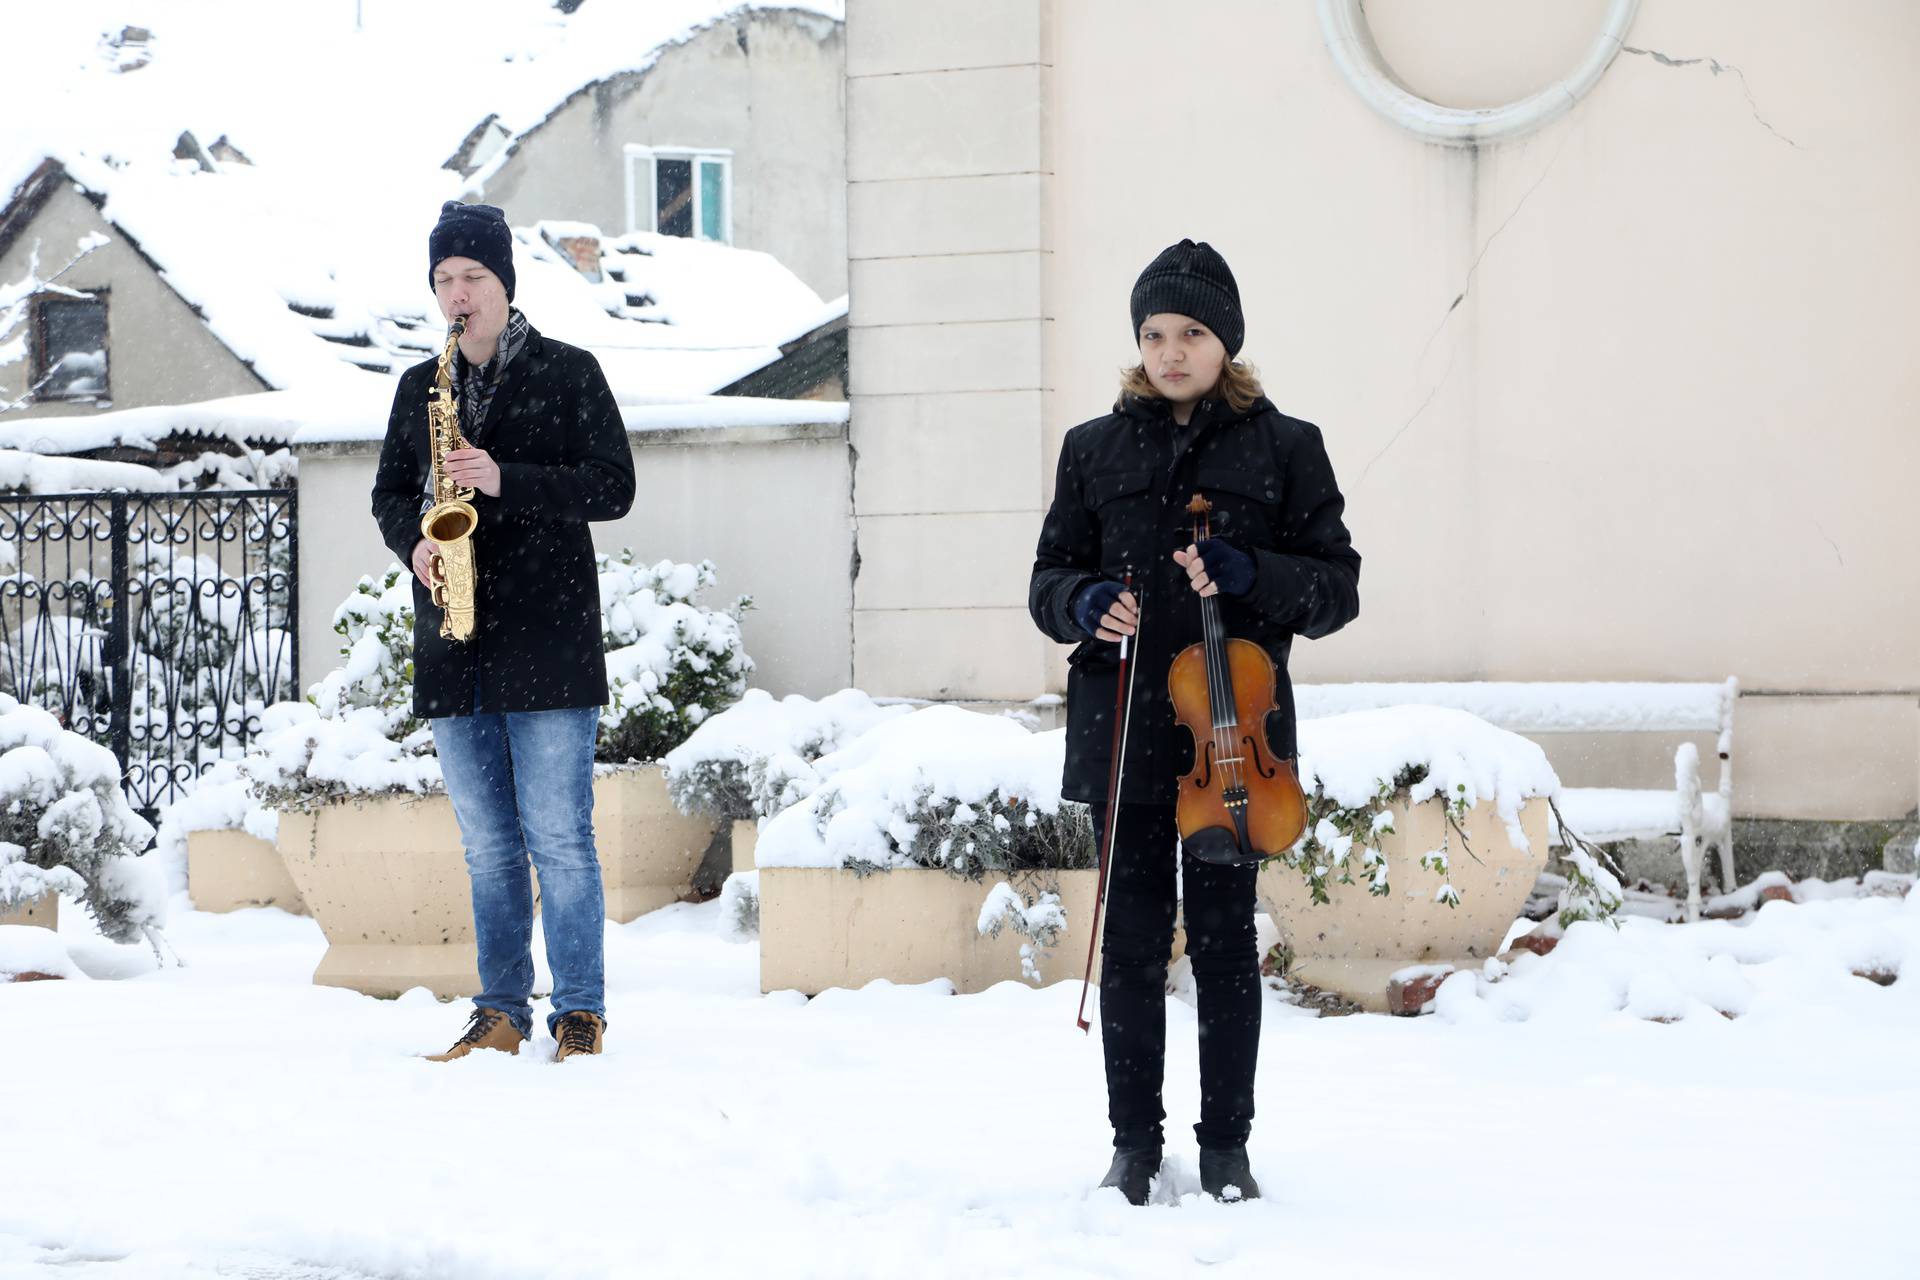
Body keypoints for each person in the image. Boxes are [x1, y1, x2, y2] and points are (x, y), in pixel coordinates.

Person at [1028, 239, 1362, 1203]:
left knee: (1222, 943)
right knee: (1131, 940)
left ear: (1227, 343)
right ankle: (1134, 1145)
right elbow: (1048, 580)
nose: (1171, 351)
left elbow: (1337, 589)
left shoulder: (1287, 447)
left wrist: (1260, 574)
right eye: (1154, 333)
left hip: (1231, 740)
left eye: (1192, 333)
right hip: (1127, 725)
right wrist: (1086, 602)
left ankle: (1227, 1147)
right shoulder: (1092, 449)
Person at [371, 201, 636, 1063]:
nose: (457, 293)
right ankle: (499, 1010)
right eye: (444, 279)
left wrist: (503, 477)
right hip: (456, 642)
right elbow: (387, 492)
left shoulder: (570, 372)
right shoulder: (422, 388)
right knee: (487, 846)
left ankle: (581, 1012)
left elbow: (612, 487)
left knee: (559, 838)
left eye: (472, 277)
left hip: (549, 638)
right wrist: (413, 543)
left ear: (504, 284)